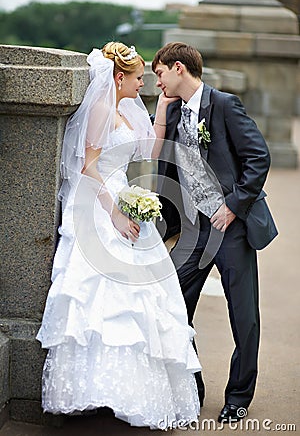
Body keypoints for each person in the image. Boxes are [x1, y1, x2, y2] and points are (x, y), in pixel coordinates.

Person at [36, 42, 201, 430]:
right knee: (98, 296)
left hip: (123, 198)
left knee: (141, 297)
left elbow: (148, 153)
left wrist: (161, 111)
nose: (144, 83)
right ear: (119, 77)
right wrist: (113, 213)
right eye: (139, 77)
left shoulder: (128, 110)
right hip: (97, 203)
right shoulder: (99, 109)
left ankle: (130, 393)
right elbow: (88, 167)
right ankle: (90, 393)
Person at [151, 42, 278, 423]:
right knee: (174, 306)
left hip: (231, 227)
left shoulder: (224, 105)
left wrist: (233, 206)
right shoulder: (171, 114)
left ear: (178, 68)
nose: (157, 83)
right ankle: (192, 388)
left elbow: (259, 158)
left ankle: (238, 397)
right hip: (193, 230)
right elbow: (163, 166)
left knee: (244, 315)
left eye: (159, 74)